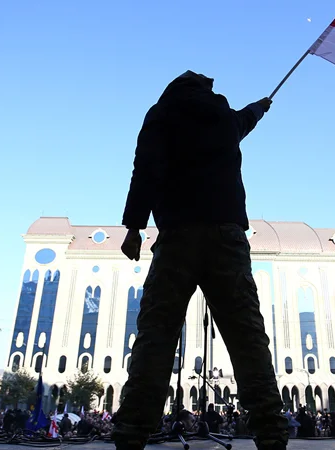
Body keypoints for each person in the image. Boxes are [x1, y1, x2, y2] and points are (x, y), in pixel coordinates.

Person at [110, 70, 288, 450]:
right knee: (247, 337)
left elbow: (145, 170)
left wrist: (134, 226)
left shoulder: (161, 115)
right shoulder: (223, 116)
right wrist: (262, 106)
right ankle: (271, 429)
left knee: (157, 334)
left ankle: (131, 431)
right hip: (227, 237)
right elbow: (246, 119)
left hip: (177, 236)